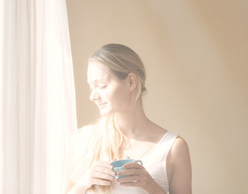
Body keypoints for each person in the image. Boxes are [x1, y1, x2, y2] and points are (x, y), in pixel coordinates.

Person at [63, 44, 191, 194]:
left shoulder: (172, 148)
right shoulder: (81, 142)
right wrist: (84, 182)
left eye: (102, 86)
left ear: (131, 82)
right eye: (92, 87)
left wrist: (149, 185)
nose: (93, 96)